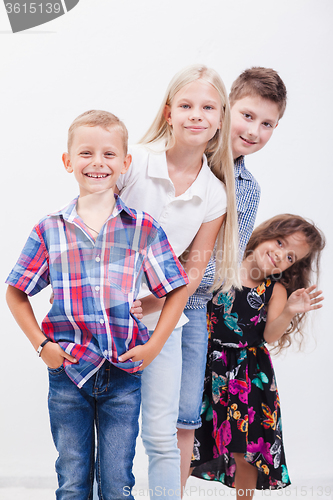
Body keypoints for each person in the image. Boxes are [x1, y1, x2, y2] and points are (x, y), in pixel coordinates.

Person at [5, 110, 190, 500]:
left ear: (125, 164)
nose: (97, 162)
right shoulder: (50, 228)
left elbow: (176, 288)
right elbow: (16, 291)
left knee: (117, 482)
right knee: (72, 480)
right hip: (68, 371)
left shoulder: (142, 227)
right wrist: (42, 347)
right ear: (68, 161)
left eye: (109, 154)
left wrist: (154, 344)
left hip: (123, 373)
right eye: (86, 153)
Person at [116, 64, 240, 497]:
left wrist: (154, 310)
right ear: (169, 112)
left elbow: (191, 268)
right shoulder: (135, 162)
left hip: (165, 321)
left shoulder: (215, 194)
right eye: (186, 105)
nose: (196, 115)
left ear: (220, 119)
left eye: (208, 107)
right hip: (104, 314)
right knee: (107, 432)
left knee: (161, 435)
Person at [179, 67, 287, 488]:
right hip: (146, 300)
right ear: (226, 110)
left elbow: (222, 264)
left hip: (196, 314)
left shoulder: (247, 187)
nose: (255, 131)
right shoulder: (184, 158)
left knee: (184, 422)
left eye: (268, 124)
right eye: (247, 116)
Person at [191, 214, 325, 497]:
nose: (279, 255)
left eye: (290, 257)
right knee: (190, 437)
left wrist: (289, 310)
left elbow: (269, 335)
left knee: (245, 449)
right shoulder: (221, 267)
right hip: (205, 366)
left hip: (248, 374)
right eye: (279, 242)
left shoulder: (274, 290)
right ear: (264, 234)